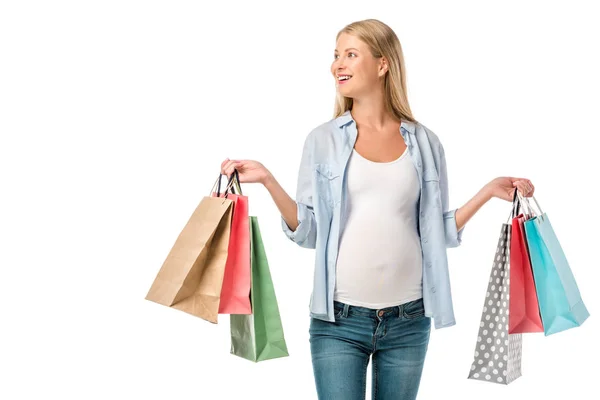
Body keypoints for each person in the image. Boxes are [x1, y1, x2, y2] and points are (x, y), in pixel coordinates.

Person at [220, 18, 535, 400]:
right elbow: (310, 232)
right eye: (336, 55)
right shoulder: (322, 140)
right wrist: (269, 180)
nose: (338, 64)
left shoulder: (425, 142)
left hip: (409, 320)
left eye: (351, 54)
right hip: (338, 321)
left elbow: (436, 233)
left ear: (382, 64)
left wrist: (486, 193)